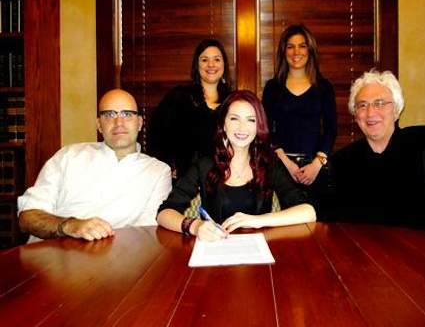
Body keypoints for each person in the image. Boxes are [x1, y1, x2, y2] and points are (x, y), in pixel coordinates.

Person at [328, 69, 425, 240]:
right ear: (355, 115)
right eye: (362, 105)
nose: (371, 112)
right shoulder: (342, 162)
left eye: (380, 103)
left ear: (396, 110)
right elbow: (339, 225)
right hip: (371, 259)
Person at [157, 90, 316, 241]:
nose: (242, 127)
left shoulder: (269, 163)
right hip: (216, 250)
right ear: (224, 124)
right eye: (234, 118)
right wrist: (195, 226)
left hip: (258, 252)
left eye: (251, 120)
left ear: (258, 126)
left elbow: (308, 212)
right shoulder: (205, 163)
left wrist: (258, 221)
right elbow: (164, 213)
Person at [17, 89, 172, 242]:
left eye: (127, 114)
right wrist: (70, 226)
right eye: (109, 115)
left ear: (139, 123)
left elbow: (144, 233)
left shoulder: (158, 172)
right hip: (47, 258)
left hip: (114, 260)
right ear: (99, 124)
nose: (119, 123)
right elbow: (27, 217)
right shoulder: (69, 156)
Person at [262, 24, 337, 221]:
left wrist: (317, 164)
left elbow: (331, 129)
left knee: (318, 224)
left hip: (316, 167)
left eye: (302, 46)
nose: (296, 52)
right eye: (290, 46)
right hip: (282, 167)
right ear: (283, 51)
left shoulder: (324, 87)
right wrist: (285, 164)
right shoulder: (272, 88)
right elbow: (265, 129)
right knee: (289, 226)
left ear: (310, 50)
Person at [147, 38, 232, 181]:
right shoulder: (179, 97)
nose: (211, 64)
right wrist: (167, 166)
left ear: (224, 64)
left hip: (225, 180)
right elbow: (156, 133)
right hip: (186, 181)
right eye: (204, 60)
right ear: (196, 66)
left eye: (217, 59)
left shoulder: (233, 101)